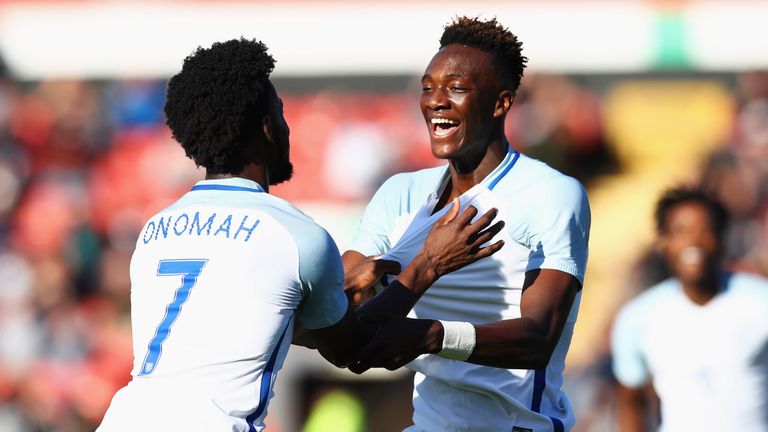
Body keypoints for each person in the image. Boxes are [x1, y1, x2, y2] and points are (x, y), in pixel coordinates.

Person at [96, 38, 506, 432]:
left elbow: (245, 332)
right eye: (280, 111)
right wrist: (427, 265)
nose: (285, 123)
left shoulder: (155, 230)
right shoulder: (294, 233)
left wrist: (336, 293)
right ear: (267, 128)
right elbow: (353, 350)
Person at [343, 17, 591, 432]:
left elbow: (537, 339)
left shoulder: (550, 193)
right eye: (427, 87)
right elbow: (342, 321)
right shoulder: (399, 194)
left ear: (501, 103)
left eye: (456, 88)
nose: (435, 100)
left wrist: (432, 336)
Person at [611, 187, 768, 432]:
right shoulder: (637, 317)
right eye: (681, 231)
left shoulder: (760, 301)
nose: (693, 241)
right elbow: (631, 400)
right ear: (663, 241)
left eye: (705, 231)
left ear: (722, 238)